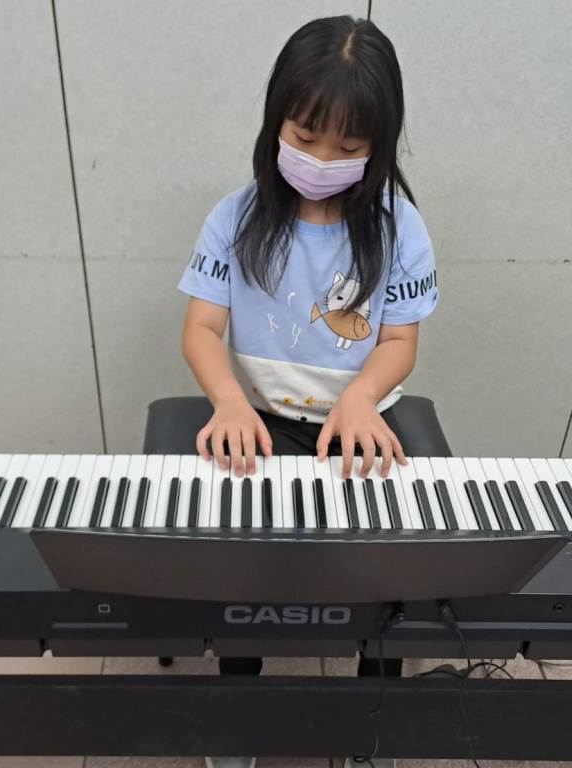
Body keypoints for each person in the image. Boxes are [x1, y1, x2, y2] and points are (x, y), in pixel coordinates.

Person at [177, 14, 438, 768]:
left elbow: (399, 342)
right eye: (305, 136)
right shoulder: (234, 217)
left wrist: (359, 398)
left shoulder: (400, 227)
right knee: (242, 573)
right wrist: (229, 401)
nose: (323, 160)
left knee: (388, 577)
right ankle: (238, 720)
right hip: (259, 418)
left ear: (379, 145)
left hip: (359, 421)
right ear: (276, 124)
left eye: (349, 149)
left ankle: (369, 726)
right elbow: (201, 329)